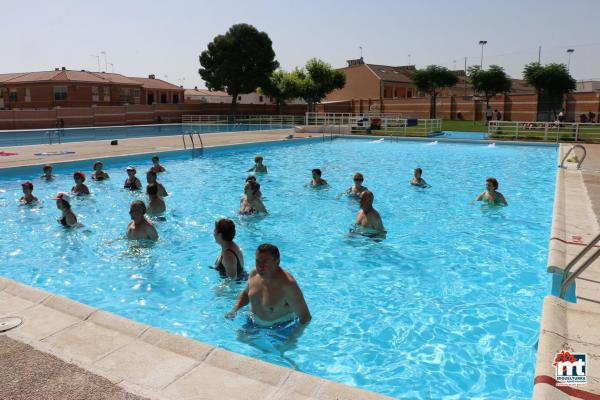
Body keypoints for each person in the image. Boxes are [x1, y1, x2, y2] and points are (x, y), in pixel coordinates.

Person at [226, 243, 311, 330]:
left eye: (265, 262)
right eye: (257, 261)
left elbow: (306, 317)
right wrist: (234, 309)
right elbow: (246, 294)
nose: (260, 266)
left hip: (279, 328)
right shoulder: (254, 273)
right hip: (253, 322)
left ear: (277, 261)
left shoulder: (288, 286)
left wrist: (293, 338)